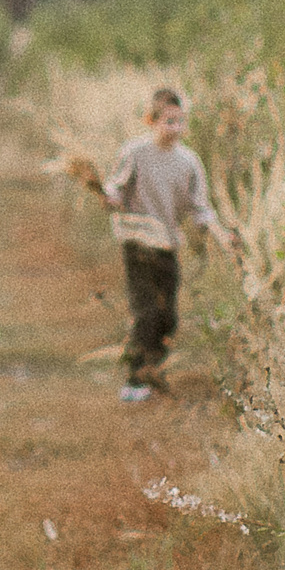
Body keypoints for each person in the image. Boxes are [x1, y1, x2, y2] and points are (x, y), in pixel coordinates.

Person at [88, 88, 231, 402]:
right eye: (169, 121)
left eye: (180, 122)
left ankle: (153, 367)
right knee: (146, 311)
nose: (175, 128)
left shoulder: (188, 161)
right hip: (137, 241)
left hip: (167, 243)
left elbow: (199, 205)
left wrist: (219, 233)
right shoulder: (135, 152)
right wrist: (107, 197)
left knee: (168, 316)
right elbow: (116, 189)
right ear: (151, 121)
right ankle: (135, 380)